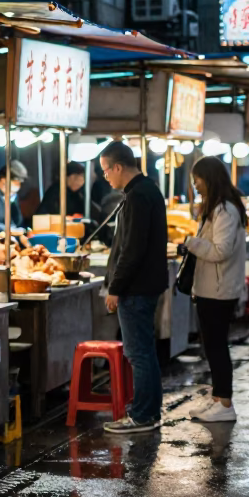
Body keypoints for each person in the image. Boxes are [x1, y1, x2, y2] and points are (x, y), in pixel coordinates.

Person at [99, 141, 169, 434]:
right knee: (144, 352)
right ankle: (148, 412)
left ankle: (142, 415)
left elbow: (132, 249)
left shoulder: (138, 196)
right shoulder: (146, 190)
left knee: (139, 353)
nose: (106, 177)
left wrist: (115, 287)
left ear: (118, 167)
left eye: (106, 171)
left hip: (136, 288)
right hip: (144, 286)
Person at [181, 158, 248, 423]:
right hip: (212, 287)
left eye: (197, 178)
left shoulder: (225, 210)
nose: (195, 184)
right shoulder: (217, 208)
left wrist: (191, 242)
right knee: (212, 345)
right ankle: (218, 398)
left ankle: (225, 403)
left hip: (220, 289)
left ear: (210, 178)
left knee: (217, 346)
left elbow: (221, 250)